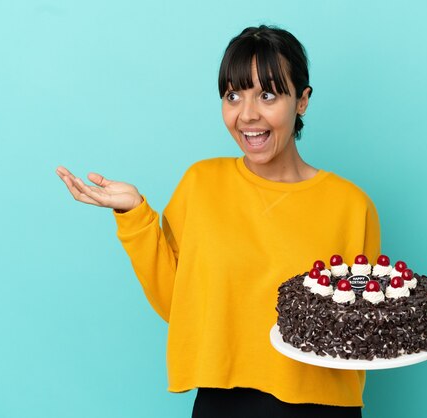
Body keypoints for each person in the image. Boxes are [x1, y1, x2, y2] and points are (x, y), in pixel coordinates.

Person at [56, 25, 380, 418]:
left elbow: (361, 326)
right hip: (223, 403)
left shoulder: (350, 205)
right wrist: (135, 215)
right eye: (232, 96)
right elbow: (179, 302)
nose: (247, 114)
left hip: (322, 405)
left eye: (268, 94)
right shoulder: (201, 184)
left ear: (302, 101)